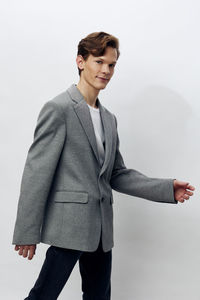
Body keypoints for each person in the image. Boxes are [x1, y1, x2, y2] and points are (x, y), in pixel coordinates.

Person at [12, 31, 195, 300]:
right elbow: (36, 174)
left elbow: (117, 174)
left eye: (111, 64)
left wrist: (167, 188)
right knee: (43, 296)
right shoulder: (59, 109)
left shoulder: (109, 118)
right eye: (99, 61)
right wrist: (27, 231)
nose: (106, 70)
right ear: (80, 61)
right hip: (68, 228)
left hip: (101, 231)